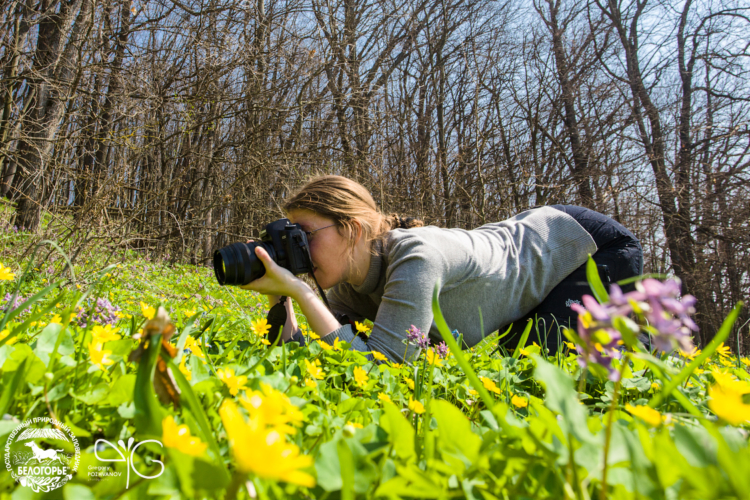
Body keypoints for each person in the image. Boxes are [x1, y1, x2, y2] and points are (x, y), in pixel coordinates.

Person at [240, 175, 643, 362]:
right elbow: (318, 358)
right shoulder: (350, 289)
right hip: (529, 247)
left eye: (304, 235)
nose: (297, 251)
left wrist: (305, 294)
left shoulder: (416, 256)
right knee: (518, 361)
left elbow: (386, 362)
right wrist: (281, 293)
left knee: (534, 368)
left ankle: (649, 352)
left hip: (584, 244)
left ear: (352, 229)